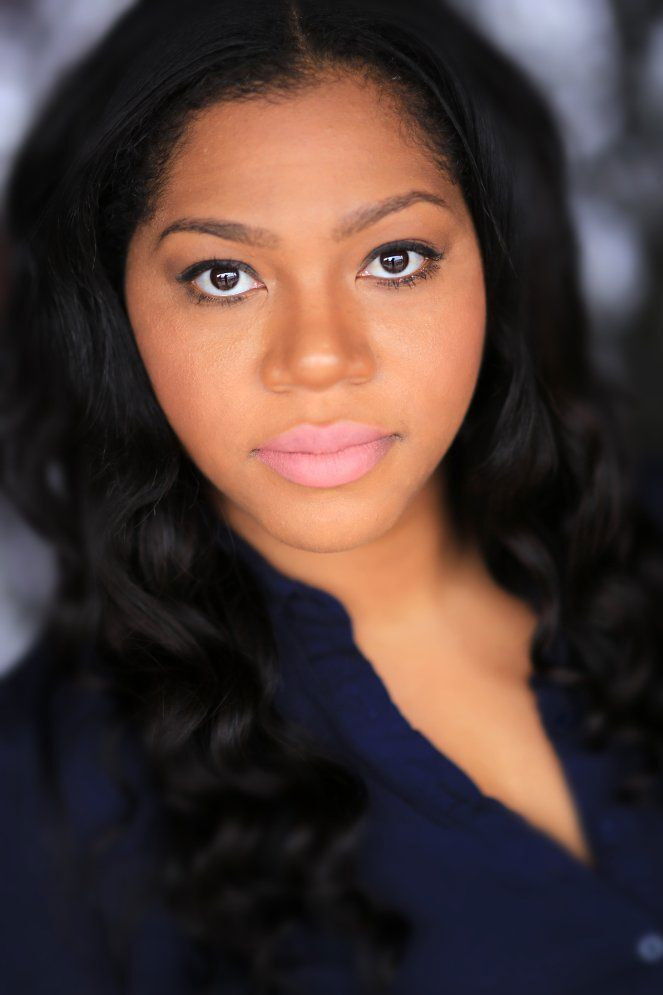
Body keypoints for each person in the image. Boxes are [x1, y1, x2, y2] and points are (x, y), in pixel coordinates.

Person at [1, 0, 662, 992]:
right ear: (111, 309)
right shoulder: (36, 811)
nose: (318, 357)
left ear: (498, 265)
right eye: (224, 275)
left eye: (394, 259)